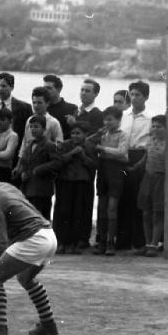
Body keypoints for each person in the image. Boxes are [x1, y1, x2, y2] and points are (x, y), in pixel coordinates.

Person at [0, 153, 59, 335]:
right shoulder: (4, 187)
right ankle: (48, 324)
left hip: (34, 239)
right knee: (25, 278)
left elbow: (0, 244)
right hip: (49, 236)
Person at [53, 121, 98, 255]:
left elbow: (94, 165)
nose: (75, 136)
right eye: (73, 133)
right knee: (63, 211)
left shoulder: (90, 146)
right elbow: (59, 161)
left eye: (78, 133)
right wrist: (73, 153)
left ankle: (76, 242)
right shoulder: (65, 145)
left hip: (82, 183)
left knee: (79, 212)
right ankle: (61, 242)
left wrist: (83, 156)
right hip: (65, 181)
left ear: (86, 134)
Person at [90, 106, 129, 256]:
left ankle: (111, 242)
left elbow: (122, 152)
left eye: (110, 119)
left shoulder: (123, 135)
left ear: (119, 120)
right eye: (105, 119)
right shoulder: (103, 134)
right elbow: (88, 142)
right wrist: (97, 134)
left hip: (117, 171)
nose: (107, 122)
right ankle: (101, 241)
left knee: (112, 207)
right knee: (102, 207)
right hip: (103, 170)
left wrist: (102, 148)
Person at [118, 81, 152, 250]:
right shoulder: (123, 116)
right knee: (123, 197)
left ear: (146, 97)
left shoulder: (151, 118)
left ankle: (139, 241)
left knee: (139, 199)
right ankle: (123, 240)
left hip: (140, 157)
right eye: (131, 94)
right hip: (123, 156)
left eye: (138, 94)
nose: (134, 98)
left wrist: (142, 161)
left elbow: (151, 144)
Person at [71, 79, 103, 248]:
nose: (83, 93)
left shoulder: (97, 113)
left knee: (85, 199)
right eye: (82, 90)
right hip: (73, 161)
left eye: (88, 91)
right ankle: (74, 235)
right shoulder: (77, 111)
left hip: (87, 160)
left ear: (96, 93)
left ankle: (83, 237)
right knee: (73, 199)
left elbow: (96, 135)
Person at [12, 115, 61, 220]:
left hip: (42, 189)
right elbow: (25, 162)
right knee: (29, 217)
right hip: (28, 187)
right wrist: (21, 172)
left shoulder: (50, 145)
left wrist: (40, 169)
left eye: (36, 126)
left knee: (41, 219)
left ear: (44, 129)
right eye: (31, 127)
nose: (33, 129)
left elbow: (57, 163)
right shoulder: (29, 145)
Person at [132, 115, 166, 257]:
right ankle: (147, 243)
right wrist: (135, 167)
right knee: (146, 212)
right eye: (154, 126)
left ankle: (154, 243)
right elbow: (146, 158)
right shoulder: (150, 141)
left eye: (159, 126)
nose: (155, 129)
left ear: (166, 128)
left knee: (158, 213)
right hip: (148, 177)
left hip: (161, 179)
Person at [0, 73, 32, 168]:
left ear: (12, 87)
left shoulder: (24, 108)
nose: (0, 89)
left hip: (13, 159)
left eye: (4, 86)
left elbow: (28, 135)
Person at [18, 87, 63, 159]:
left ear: (47, 103)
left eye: (39, 103)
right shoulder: (29, 120)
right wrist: (19, 163)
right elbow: (25, 142)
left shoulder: (54, 122)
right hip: (27, 161)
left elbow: (59, 145)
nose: (36, 105)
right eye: (34, 102)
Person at [43, 74, 77, 140]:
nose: (45, 91)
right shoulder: (41, 107)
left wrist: (74, 124)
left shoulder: (71, 108)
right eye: (44, 88)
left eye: (49, 88)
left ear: (59, 89)